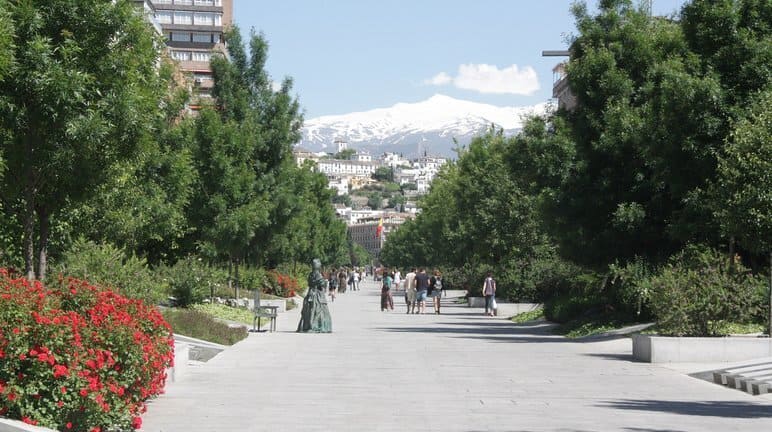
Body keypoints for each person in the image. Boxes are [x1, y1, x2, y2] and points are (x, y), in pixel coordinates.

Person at [297, 259, 332, 333]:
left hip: (311, 293)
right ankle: (314, 325)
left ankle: (308, 325)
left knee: (310, 309)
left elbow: (310, 283)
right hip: (317, 294)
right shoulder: (318, 275)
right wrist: (324, 282)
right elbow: (322, 284)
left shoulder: (311, 274)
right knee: (316, 309)